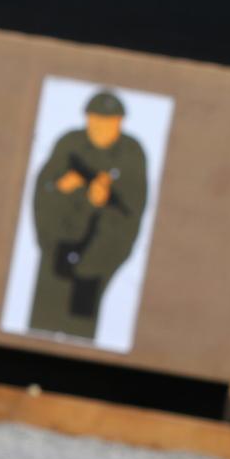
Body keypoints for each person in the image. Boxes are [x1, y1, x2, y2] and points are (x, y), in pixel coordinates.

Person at [27, 90, 149, 339]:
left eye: (107, 122)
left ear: (119, 122)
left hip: (96, 257)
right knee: (41, 325)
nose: (100, 128)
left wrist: (102, 202)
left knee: (78, 330)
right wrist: (61, 188)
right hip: (57, 249)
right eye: (95, 121)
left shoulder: (131, 153)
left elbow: (132, 210)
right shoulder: (70, 143)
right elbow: (43, 191)